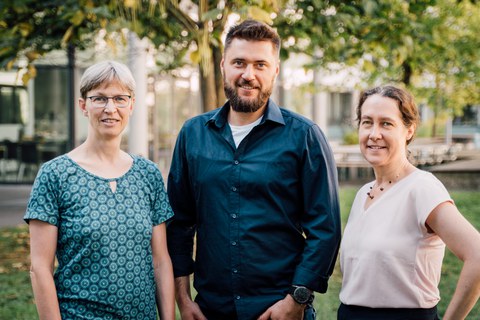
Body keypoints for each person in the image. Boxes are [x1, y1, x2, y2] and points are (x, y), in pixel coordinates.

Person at [166, 19, 341, 320]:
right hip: (211, 310)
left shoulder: (304, 136)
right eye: (239, 63)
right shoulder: (193, 134)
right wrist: (183, 297)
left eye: (260, 64)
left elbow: (325, 229)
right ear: (223, 66)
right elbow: (179, 223)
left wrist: (296, 299)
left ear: (275, 70)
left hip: (280, 309)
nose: (249, 75)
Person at [24, 60, 175, 320]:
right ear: (83, 105)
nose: (110, 109)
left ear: (131, 105)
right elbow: (40, 267)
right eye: (99, 99)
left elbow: (160, 262)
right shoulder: (55, 175)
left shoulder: (148, 174)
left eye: (119, 99)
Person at [338, 85, 480, 320]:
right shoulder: (364, 192)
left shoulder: (421, 188)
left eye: (386, 123)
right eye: (367, 122)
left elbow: (477, 254)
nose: (374, 133)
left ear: (409, 130)